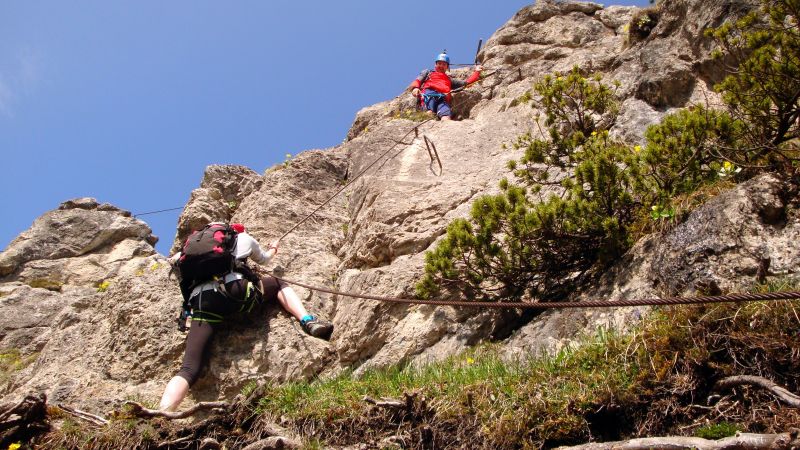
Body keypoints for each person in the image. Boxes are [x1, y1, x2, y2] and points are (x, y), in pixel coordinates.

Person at [159, 222, 333, 412]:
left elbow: (174, 261)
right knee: (277, 283)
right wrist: (274, 248)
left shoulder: (190, 249)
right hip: (236, 292)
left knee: (189, 369)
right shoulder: (243, 238)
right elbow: (265, 259)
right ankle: (307, 320)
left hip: (203, 301)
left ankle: (163, 413)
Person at [408, 51, 483, 120]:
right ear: (435, 65)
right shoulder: (428, 72)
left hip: (443, 98)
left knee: (446, 116)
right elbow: (418, 80)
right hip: (429, 94)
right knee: (429, 112)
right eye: (439, 63)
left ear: (447, 67)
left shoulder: (449, 80)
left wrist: (477, 72)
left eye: (444, 64)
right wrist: (415, 88)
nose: (441, 66)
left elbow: (466, 83)